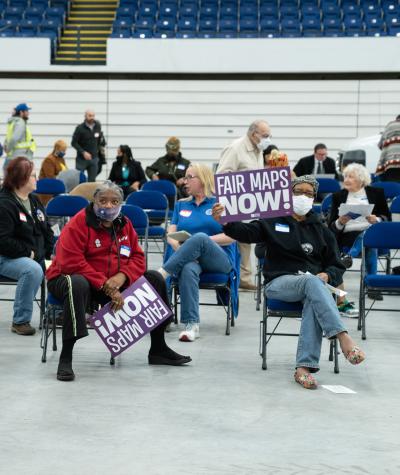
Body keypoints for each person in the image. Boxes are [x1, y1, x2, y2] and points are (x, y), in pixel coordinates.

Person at [212, 175, 365, 390]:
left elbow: (336, 265)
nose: (304, 197)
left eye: (309, 194)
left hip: (313, 287)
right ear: (288, 194)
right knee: (312, 285)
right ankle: (342, 336)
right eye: (299, 192)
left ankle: (304, 367)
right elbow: (247, 232)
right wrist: (226, 221)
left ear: (314, 198)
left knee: (314, 292)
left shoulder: (320, 228)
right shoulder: (272, 219)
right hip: (279, 283)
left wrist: (328, 276)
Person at [46, 181, 191, 382]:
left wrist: (122, 277)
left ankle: (159, 349)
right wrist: (107, 286)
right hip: (69, 278)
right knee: (76, 283)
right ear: (93, 201)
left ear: (121, 204)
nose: (108, 206)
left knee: (155, 279)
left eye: (114, 201)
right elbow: (71, 262)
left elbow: (138, 258)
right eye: (102, 200)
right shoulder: (78, 223)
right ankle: (66, 356)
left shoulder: (125, 224)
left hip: (112, 280)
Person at [158, 163, 239, 342]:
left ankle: (163, 272)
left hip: (219, 259)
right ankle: (191, 325)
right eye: (185, 178)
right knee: (187, 268)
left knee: (200, 237)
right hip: (191, 259)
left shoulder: (220, 203)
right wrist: (179, 247)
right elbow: (170, 234)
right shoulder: (181, 205)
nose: (185, 182)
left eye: (189, 177)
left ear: (203, 179)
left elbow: (232, 236)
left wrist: (201, 242)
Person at [0, 157, 54, 335]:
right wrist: (29, 253)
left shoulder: (34, 200)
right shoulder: (4, 203)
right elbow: (3, 241)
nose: (36, 179)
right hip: (7, 257)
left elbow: (46, 230)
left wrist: (50, 254)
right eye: (32, 175)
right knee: (32, 270)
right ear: (20, 178)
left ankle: (56, 313)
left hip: (35, 255)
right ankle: (20, 321)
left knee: (65, 264)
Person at [217, 119, 271, 291]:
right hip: (236, 201)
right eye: (265, 136)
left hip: (252, 202)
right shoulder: (235, 148)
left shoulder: (258, 150)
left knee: (248, 239)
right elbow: (222, 174)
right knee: (240, 239)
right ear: (253, 134)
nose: (268, 139)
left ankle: (245, 276)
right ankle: (241, 277)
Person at [328, 163, 391, 302]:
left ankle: (348, 257)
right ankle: (372, 288)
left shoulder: (377, 193)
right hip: (347, 236)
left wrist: (377, 219)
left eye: (351, 176)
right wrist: (341, 222)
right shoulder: (338, 196)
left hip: (372, 231)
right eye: (345, 176)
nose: (346, 179)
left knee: (369, 237)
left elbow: (387, 217)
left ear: (361, 179)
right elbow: (331, 227)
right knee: (368, 243)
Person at [71, 110, 104, 182]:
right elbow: (73, 143)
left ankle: (90, 193)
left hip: (94, 158)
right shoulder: (80, 128)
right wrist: (83, 152)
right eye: (89, 116)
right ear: (85, 116)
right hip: (81, 159)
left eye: (93, 116)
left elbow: (99, 139)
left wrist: (98, 150)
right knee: (79, 180)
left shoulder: (98, 126)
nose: (92, 117)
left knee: (92, 181)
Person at [3, 103, 36, 169]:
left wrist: (6, 147)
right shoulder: (20, 123)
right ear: (21, 112)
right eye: (26, 111)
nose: (28, 113)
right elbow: (14, 138)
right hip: (19, 157)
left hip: (14, 156)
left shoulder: (13, 122)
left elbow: (7, 138)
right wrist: (8, 149)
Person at [37, 139, 68, 205]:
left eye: (65, 150)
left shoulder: (61, 159)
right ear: (56, 149)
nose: (64, 152)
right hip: (48, 191)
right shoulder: (49, 160)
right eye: (62, 150)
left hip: (60, 188)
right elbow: (50, 177)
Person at [376, 114, 400, 181]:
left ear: (396, 119)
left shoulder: (390, 125)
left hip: (391, 164)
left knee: (393, 186)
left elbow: (380, 145)